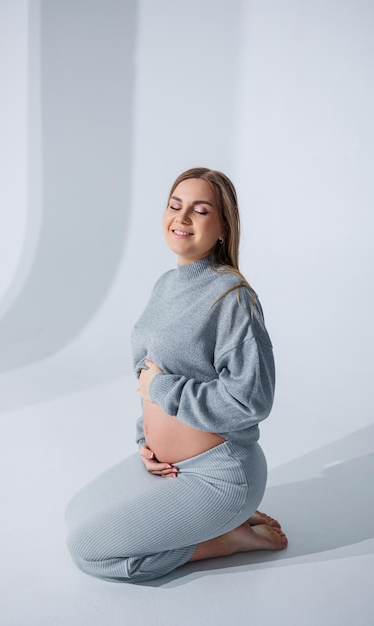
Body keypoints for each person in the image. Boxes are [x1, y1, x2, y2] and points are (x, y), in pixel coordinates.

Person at [65, 167, 288, 583]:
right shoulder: (166, 284)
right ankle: (215, 521)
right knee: (74, 515)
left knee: (90, 552)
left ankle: (228, 538)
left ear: (223, 228)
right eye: (175, 206)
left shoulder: (233, 298)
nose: (181, 218)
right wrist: (145, 440)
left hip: (220, 475)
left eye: (199, 210)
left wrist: (164, 389)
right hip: (169, 469)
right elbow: (147, 376)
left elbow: (250, 401)